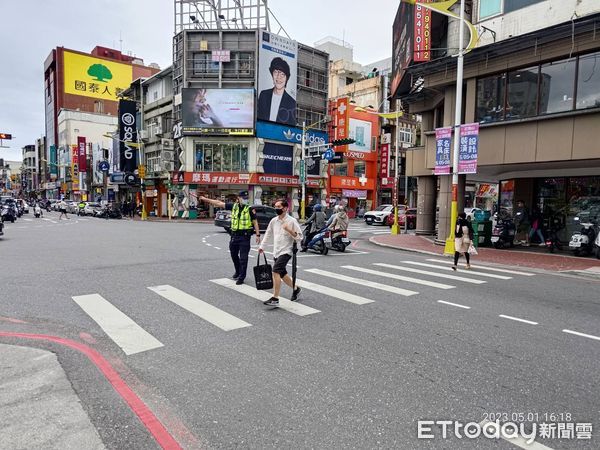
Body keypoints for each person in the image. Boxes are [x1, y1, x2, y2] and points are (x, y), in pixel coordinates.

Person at [200, 191, 260, 285]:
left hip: (245, 237)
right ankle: (238, 271)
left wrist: (258, 235)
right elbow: (218, 203)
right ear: (238, 198)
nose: (245, 199)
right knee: (234, 255)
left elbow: (255, 222)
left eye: (246, 198)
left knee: (243, 258)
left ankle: (242, 277)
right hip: (234, 236)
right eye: (243, 197)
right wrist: (205, 199)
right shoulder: (234, 206)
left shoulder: (250, 209)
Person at [259, 199, 303, 306]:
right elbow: (268, 234)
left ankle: (275, 298)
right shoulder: (274, 221)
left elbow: (300, 237)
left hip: (286, 251)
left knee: (275, 272)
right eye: (275, 206)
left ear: (285, 208)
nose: (276, 208)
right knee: (283, 274)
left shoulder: (291, 221)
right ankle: (296, 288)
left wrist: (289, 230)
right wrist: (262, 246)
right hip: (276, 251)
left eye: (278, 206)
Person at [257, 57, 297, 125]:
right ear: (272, 74)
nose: (279, 77)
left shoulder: (292, 103)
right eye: (276, 72)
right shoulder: (263, 95)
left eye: (282, 74)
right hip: (262, 133)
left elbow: (291, 126)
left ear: (287, 78)